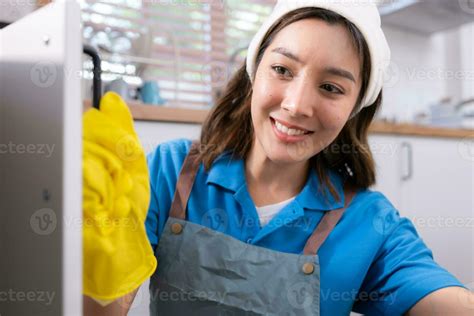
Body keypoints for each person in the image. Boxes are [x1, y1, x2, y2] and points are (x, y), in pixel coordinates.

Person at [83, 0, 473, 315]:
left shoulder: (368, 223)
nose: (297, 104)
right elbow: (102, 309)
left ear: (355, 108)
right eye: (282, 69)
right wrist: (93, 245)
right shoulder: (172, 171)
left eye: (331, 87)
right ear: (255, 71)